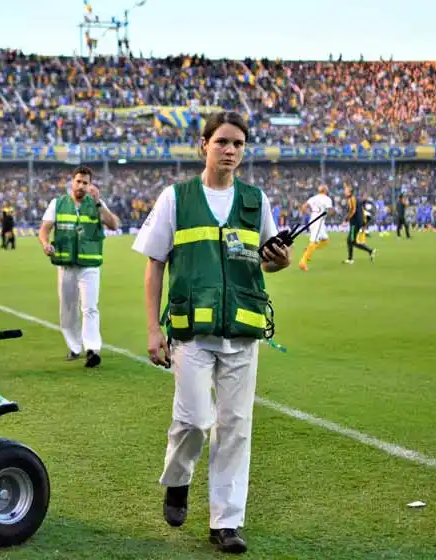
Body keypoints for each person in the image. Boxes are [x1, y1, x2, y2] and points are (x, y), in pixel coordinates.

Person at [132, 111, 291, 554]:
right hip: (191, 331)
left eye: (239, 144)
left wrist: (279, 260)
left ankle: (226, 521)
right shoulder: (176, 198)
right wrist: (152, 329)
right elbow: (154, 264)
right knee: (195, 421)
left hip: (241, 328)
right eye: (223, 142)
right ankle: (178, 480)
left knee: (236, 427)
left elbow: (268, 259)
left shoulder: (256, 201)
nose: (231, 150)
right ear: (203, 144)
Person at [38, 166, 121, 368]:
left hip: (89, 264)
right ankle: (75, 347)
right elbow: (44, 229)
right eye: (78, 181)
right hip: (66, 264)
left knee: (90, 307)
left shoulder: (96, 204)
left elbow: (115, 225)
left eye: (86, 182)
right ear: (71, 182)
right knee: (68, 309)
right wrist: (45, 244)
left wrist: (100, 203)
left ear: (90, 185)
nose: (82, 186)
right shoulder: (58, 203)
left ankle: (92, 349)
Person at [297, 184, 334, 271]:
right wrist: (331, 213)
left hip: (313, 219)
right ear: (325, 190)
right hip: (319, 221)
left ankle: (309, 250)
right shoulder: (327, 199)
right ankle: (303, 262)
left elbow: (303, 207)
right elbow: (331, 211)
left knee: (325, 240)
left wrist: (310, 214)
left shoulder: (313, 198)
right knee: (314, 241)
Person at [343, 186, 376, 264]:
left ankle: (351, 259)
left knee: (350, 241)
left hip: (354, 224)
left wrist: (346, 220)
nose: (345, 192)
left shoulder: (351, 199)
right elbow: (360, 210)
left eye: (346, 191)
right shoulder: (355, 199)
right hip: (357, 223)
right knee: (352, 241)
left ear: (350, 193)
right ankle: (370, 251)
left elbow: (352, 211)